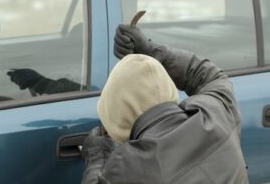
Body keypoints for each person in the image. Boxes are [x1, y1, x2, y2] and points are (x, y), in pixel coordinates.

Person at [80, 24, 249, 184]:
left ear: (119, 119)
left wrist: (97, 161)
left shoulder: (125, 168)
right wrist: (152, 51)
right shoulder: (216, 113)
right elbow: (210, 76)